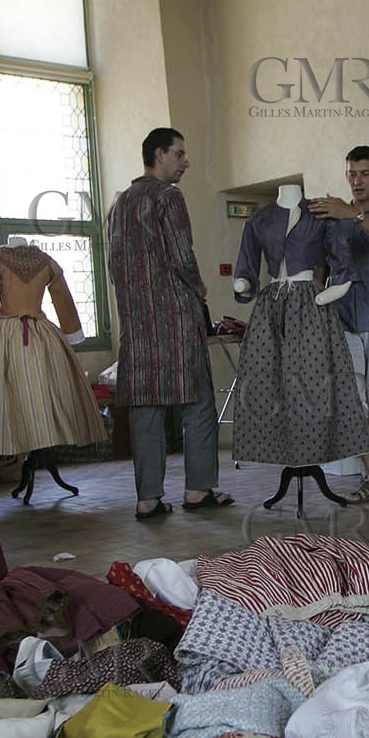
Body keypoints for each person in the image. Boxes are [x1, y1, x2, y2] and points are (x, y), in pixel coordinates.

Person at [106, 127, 233, 520]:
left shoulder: (120, 202)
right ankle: (198, 490)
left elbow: (113, 266)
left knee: (145, 409)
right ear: (159, 155)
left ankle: (148, 500)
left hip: (137, 324)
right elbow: (181, 255)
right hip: (176, 320)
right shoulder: (167, 197)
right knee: (197, 402)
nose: (185, 162)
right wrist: (199, 288)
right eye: (179, 154)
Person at [309, 146, 369, 503]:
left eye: (364, 173)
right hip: (342, 321)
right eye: (352, 173)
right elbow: (321, 268)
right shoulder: (332, 218)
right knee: (351, 402)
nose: (357, 180)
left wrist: (352, 216)